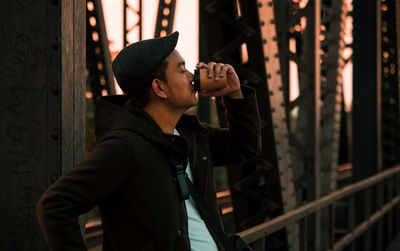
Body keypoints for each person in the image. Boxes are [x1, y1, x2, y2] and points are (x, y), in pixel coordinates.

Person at [37, 31, 261, 251]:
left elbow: (245, 146)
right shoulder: (125, 146)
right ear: (159, 88)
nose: (193, 77)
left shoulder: (191, 135)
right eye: (182, 70)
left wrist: (234, 94)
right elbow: (55, 205)